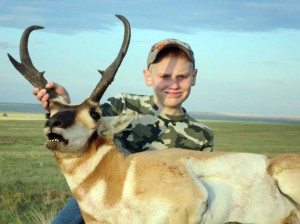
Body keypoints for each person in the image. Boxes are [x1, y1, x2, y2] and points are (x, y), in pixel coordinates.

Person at [33, 38, 214, 224]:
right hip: (105, 190)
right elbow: (86, 120)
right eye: (165, 76)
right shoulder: (123, 104)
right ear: (148, 76)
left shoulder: (201, 134)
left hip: (160, 199)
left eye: (182, 76)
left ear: (194, 77)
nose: (174, 84)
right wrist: (65, 103)